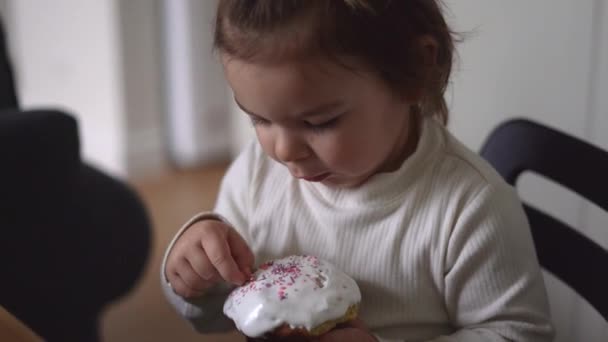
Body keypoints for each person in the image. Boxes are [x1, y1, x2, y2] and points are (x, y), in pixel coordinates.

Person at [161, 1, 554, 341]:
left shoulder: (470, 208)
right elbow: (217, 317)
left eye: (319, 122)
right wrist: (196, 278)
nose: (282, 150)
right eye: (259, 118)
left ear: (414, 71)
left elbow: (517, 333)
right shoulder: (255, 174)